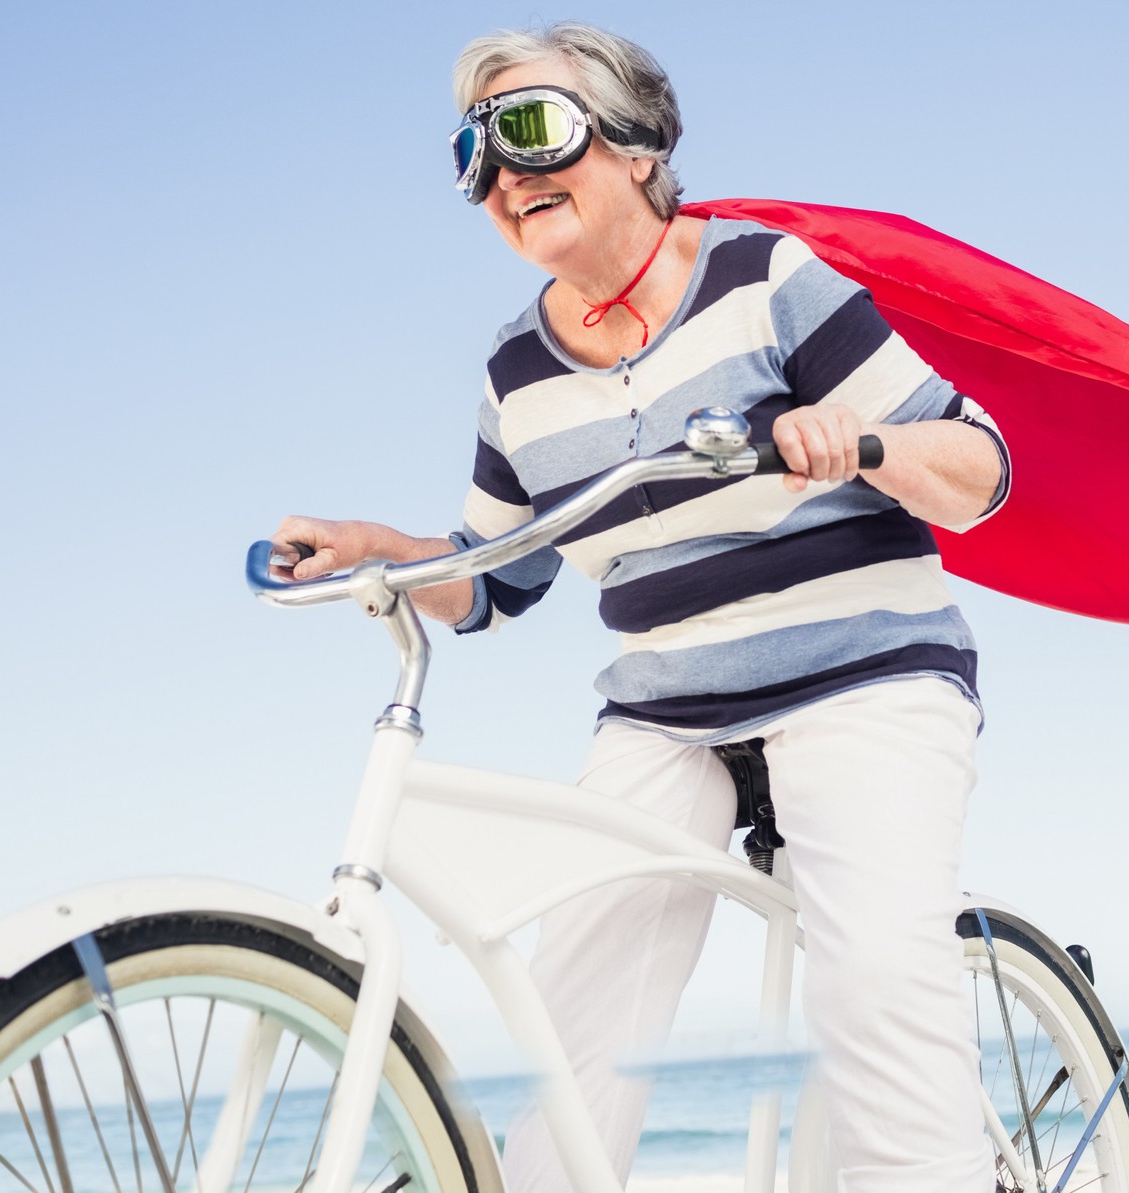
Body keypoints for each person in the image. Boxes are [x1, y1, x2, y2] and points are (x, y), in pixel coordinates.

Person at [272, 22, 1011, 1193]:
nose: (505, 174)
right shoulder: (515, 368)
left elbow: (978, 466)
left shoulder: (766, 279)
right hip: (667, 710)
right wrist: (392, 549)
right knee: (577, 1017)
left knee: (875, 984)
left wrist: (858, 442)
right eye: (476, 150)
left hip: (865, 674)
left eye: (531, 128)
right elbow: (505, 570)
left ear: (635, 144)